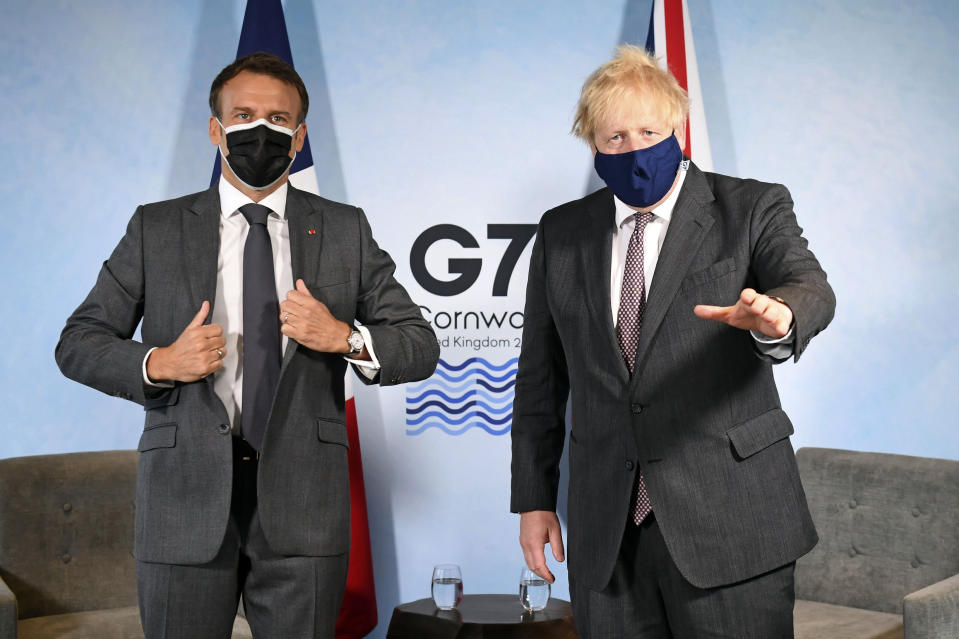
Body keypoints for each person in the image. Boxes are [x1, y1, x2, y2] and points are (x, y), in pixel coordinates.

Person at [56, 52, 439, 639]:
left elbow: (418, 345)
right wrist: (159, 362)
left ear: (299, 136)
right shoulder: (156, 228)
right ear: (216, 129)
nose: (260, 131)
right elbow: (78, 342)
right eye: (243, 115)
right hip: (182, 502)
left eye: (279, 119)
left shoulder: (344, 229)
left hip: (305, 507)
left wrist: (342, 336)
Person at [511, 45, 835, 638]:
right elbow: (540, 379)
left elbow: (810, 286)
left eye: (648, 131)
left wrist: (779, 315)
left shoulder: (750, 206)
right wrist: (533, 501)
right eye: (614, 138)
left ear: (678, 127)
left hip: (733, 522)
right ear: (592, 144)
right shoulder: (561, 233)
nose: (633, 149)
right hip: (608, 535)